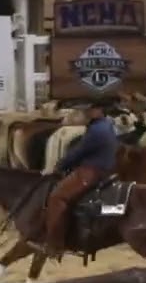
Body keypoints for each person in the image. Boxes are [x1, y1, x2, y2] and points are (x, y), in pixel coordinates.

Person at [42, 101, 118, 259]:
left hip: (91, 171)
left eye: (88, 110)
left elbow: (80, 152)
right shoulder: (107, 125)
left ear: (98, 110)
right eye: (86, 111)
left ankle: (55, 245)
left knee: (57, 197)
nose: (85, 114)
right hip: (105, 168)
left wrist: (60, 165)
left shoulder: (97, 130)